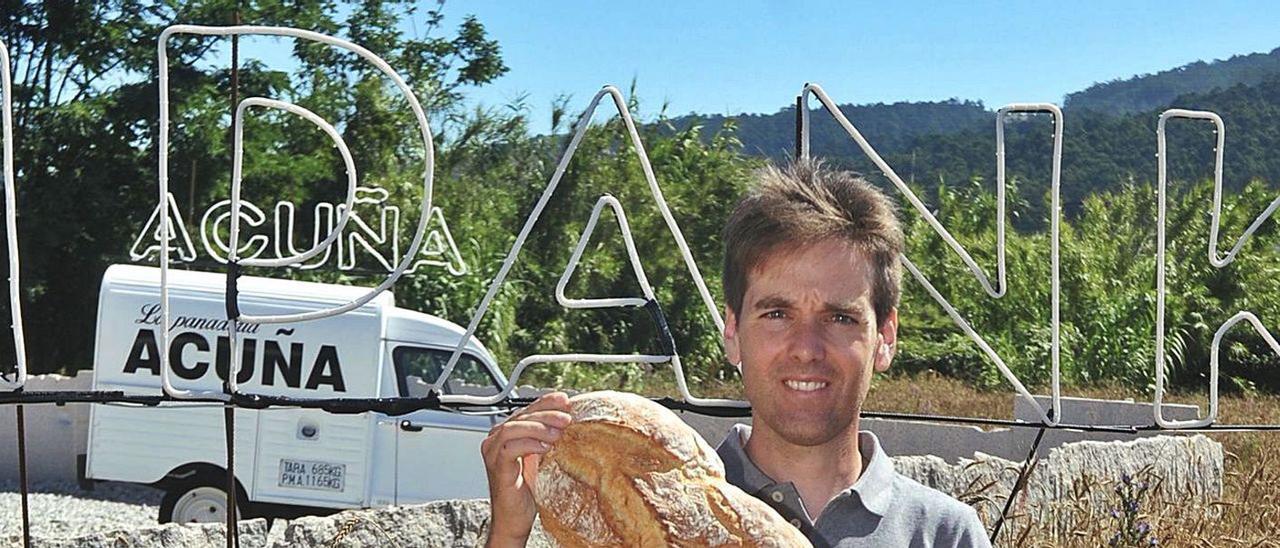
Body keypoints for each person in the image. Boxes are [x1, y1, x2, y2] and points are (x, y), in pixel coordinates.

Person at [481, 161, 991, 547]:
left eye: (839, 317)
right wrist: (508, 533)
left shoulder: (944, 534)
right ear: (732, 332)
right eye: (776, 314)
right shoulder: (641, 503)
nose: (806, 349)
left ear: (885, 336)